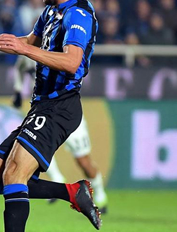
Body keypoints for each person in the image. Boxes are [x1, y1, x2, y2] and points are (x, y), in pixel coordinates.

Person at [0, 0, 101, 231]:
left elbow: (71, 61)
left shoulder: (79, 14)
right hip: (41, 106)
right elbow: (28, 41)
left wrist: (25, 49)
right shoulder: (50, 12)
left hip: (60, 106)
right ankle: (72, 193)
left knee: (15, 173)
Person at [12, 55, 109, 214]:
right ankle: (57, 178)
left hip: (67, 114)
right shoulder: (30, 52)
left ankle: (100, 194)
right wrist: (17, 90)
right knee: (36, 148)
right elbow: (19, 67)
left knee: (83, 162)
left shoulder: (61, 51)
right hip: (43, 113)